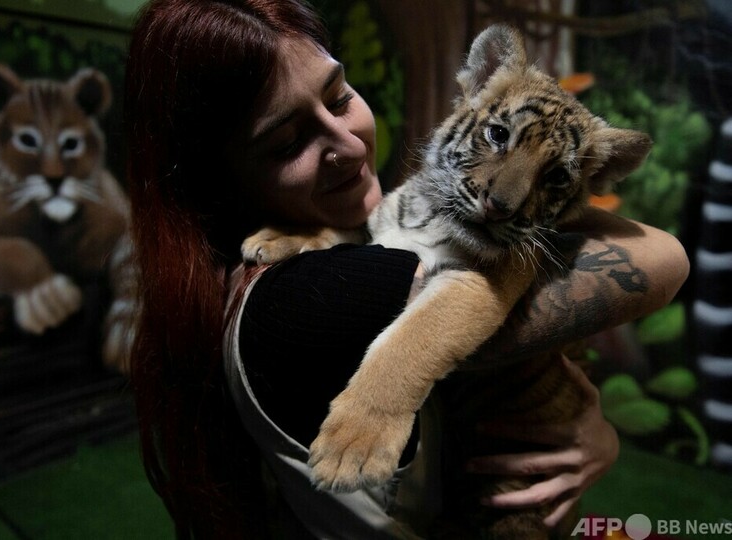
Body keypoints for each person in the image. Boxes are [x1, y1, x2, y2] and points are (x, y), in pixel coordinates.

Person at [124, 0, 690, 538]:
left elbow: (384, 246)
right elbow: (658, 259)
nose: (504, 197)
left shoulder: (346, 240)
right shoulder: (292, 306)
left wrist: (319, 236)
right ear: (219, 180)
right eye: (288, 141)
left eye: (340, 96)